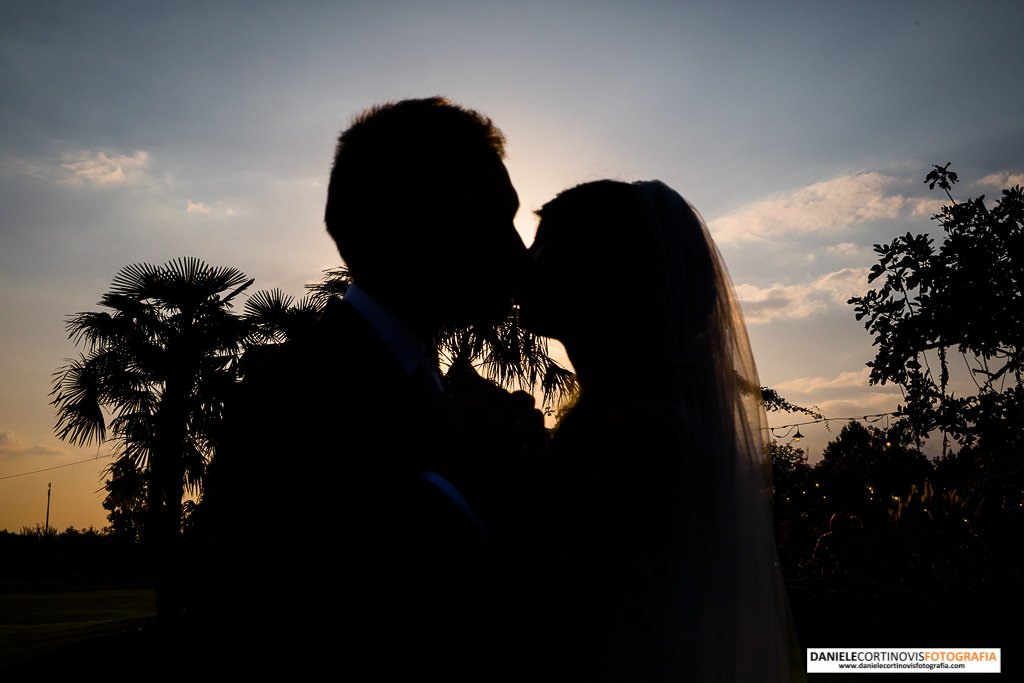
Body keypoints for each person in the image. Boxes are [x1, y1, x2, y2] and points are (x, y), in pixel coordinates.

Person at [206, 97, 531, 679]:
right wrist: (452, 489)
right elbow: (267, 626)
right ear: (396, 254)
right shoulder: (284, 400)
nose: (517, 252)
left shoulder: (454, 392)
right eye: (488, 225)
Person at [519, 179, 800, 681]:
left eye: (547, 244)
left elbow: (539, 603)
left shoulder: (639, 428)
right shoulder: (640, 412)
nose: (526, 261)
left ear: (607, 277)